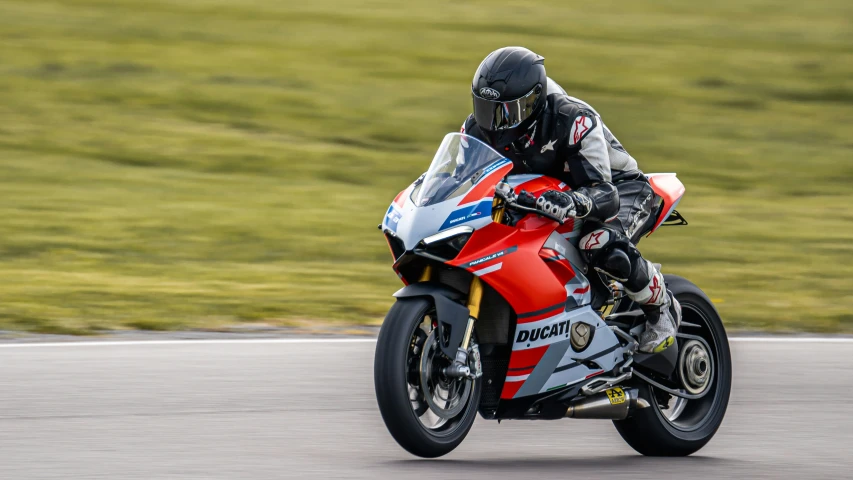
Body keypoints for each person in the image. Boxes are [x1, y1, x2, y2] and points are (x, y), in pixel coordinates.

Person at [461, 46, 681, 353]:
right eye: (486, 109)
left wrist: (573, 202)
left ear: (533, 103)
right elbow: (461, 183)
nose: (494, 123)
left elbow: (606, 194)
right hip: (541, 197)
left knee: (599, 242)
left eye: (506, 112)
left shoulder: (572, 119)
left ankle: (662, 310)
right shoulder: (475, 129)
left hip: (617, 188)